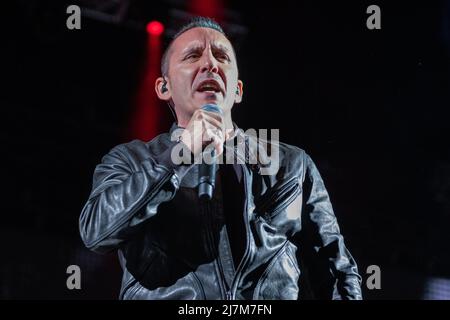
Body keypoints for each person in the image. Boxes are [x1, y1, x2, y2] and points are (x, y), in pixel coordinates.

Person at [79, 16, 362, 300]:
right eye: (192, 56)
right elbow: (97, 231)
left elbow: (336, 268)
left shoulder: (291, 164)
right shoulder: (131, 159)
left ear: (237, 90)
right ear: (164, 88)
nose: (210, 64)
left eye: (221, 56)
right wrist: (179, 156)